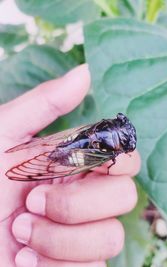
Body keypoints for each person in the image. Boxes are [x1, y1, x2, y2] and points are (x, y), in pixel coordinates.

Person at [0, 64, 140, 267]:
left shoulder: (106, 139)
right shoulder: (112, 153)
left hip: (75, 150)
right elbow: (111, 162)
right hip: (74, 151)